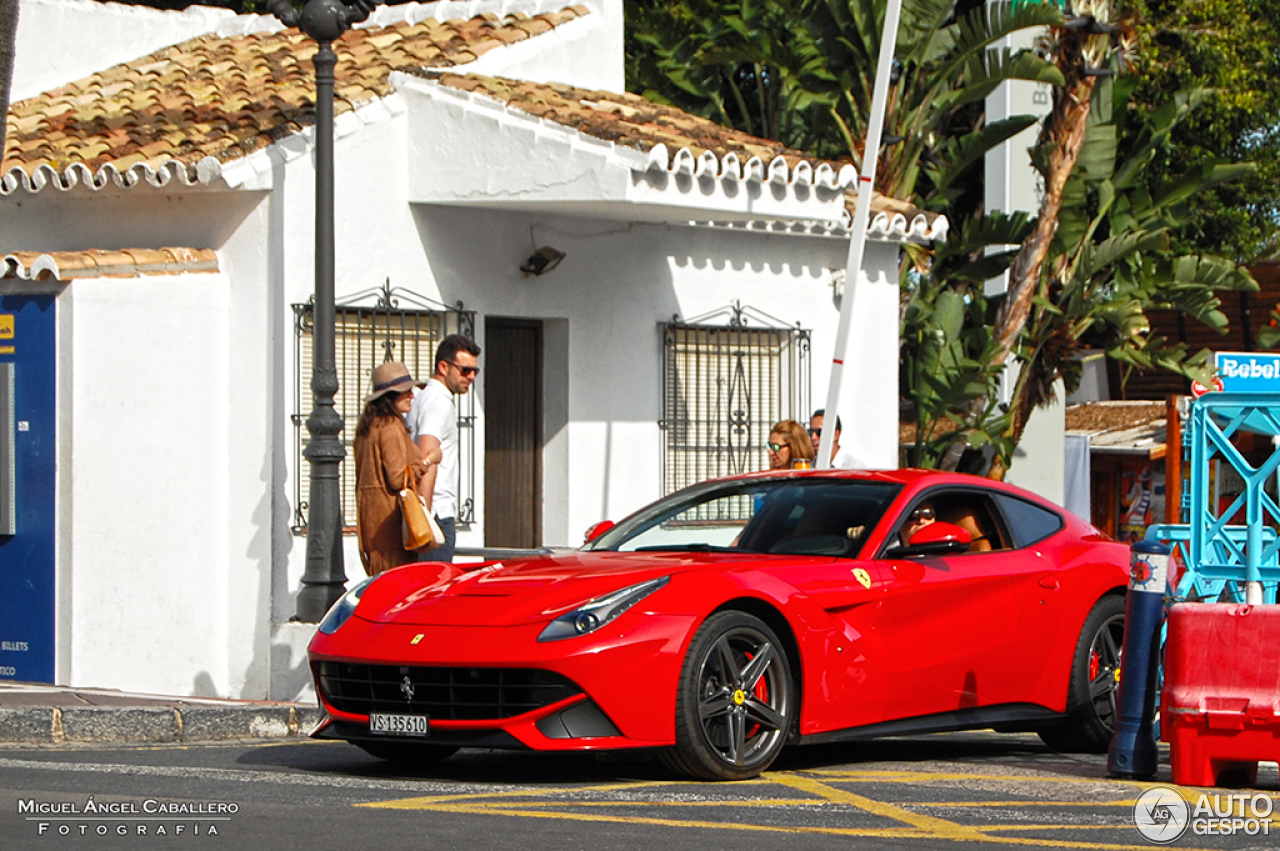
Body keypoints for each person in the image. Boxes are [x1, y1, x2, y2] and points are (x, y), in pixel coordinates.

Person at [353, 361, 435, 576]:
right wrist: (427, 461)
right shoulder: (390, 426)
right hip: (392, 530)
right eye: (405, 392)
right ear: (389, 397)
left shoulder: (367, 427)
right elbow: (398, 479)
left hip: (373, 528)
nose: (412, 396)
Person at [406, 333, 481, 562]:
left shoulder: (421, 396)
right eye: (465, 370)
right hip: (436, 511)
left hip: (428, 509)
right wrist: (424, 519)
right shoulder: (438, 402)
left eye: (474, 371)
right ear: (443, 367)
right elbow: (429, 457)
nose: (470, 377)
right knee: (433, 592)